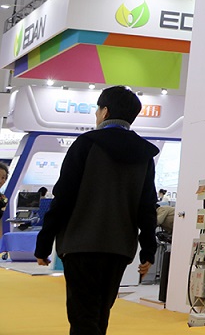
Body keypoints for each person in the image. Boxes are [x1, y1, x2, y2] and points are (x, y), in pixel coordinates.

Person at [34, 85, 159, 335]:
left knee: (83, 316)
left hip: (81, 244)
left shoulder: (86, 144)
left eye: (97, 110)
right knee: (101, 313)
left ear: (105, 111)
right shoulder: (144, 154)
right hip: (119, 248)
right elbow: (147, 207)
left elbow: (64, 197)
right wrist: (148, 249)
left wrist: (44, 242)